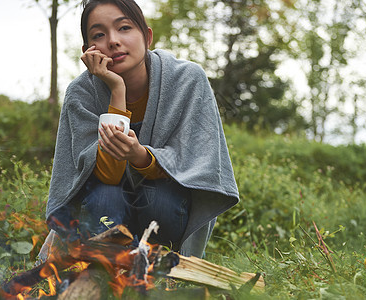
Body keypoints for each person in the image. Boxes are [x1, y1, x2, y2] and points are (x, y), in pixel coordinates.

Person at [38, 0, 239, 262]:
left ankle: (158, 266)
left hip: (166, 212)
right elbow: (107, 177)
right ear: (88, 50)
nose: (113, 41)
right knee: (104, 197)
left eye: (124, 28)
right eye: (99, 34)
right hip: (105, 216)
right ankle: (109, 266)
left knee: (158, 197)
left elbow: (196, 166)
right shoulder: (81, 93)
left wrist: (139, 155)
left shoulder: (187, 79)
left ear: (147, 36)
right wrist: (117, 90)